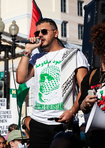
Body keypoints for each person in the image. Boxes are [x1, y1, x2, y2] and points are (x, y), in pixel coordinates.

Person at [16, 18, 89, 148]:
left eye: (44, 31)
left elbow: (85, 88)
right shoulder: (36, 57)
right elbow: (20, 78)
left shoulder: (73, 55)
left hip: (64, 122)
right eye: (37, 33)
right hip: (39, 123)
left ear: (56, 33)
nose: (39, 35)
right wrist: (28, 50)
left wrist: (72, 111)